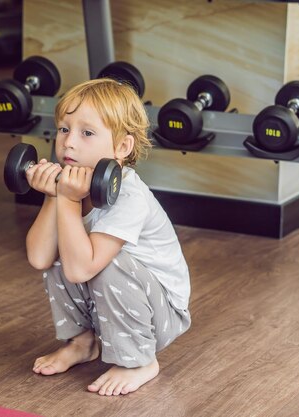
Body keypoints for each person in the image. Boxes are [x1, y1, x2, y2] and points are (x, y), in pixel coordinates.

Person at [25, 78, 191, 396]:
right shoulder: (71, 182)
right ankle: (83, 342)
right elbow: (40, 257)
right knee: (68, 246)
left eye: (87, 133)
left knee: (107, 261)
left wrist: (69, 201)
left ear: (122, 147)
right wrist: (53, 196)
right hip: (106, 307)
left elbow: (79, 270)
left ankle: (140, 361)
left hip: (161, 315)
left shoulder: (130, 196)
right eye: (63, 129)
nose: (69, 142)